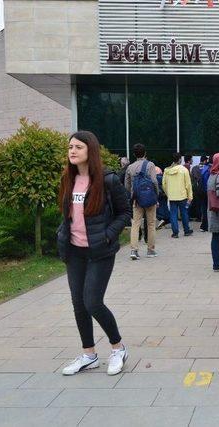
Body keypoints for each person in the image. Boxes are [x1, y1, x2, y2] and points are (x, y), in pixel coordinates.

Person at [56, 131, 131, 376]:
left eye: (78, 147)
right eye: (70, 147)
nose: (72, 151)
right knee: (78, 304)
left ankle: (118, 348)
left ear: (91, 150)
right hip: (74, 251)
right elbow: (67, 214)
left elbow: (124, 212)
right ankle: (89, 355)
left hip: (100, 251)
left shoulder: (108, 180)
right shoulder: (68, 179)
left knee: (93, 302)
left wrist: (109, 234)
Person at [125, 143, 159, 260]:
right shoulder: (150, 165)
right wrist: (156, 195)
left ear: (134, 154)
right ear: (145, 153)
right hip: (150, 198)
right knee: (151, 224)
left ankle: (134, 250)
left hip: (137, 199)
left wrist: (132, 195)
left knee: (135, 224)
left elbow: (127, 185)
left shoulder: (130, 167)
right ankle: (150, 250)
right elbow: (154, 181)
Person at [162, 152, 193, 238]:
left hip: (172, 196)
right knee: (184, 213)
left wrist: (168, 193)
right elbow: (188, 184)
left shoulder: (166, 170)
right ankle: (186, 230)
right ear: (180, 159)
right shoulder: (184, 170)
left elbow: (164, 184)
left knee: (173, 214)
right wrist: (190, 196)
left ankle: (175, 232)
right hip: (182, 195)